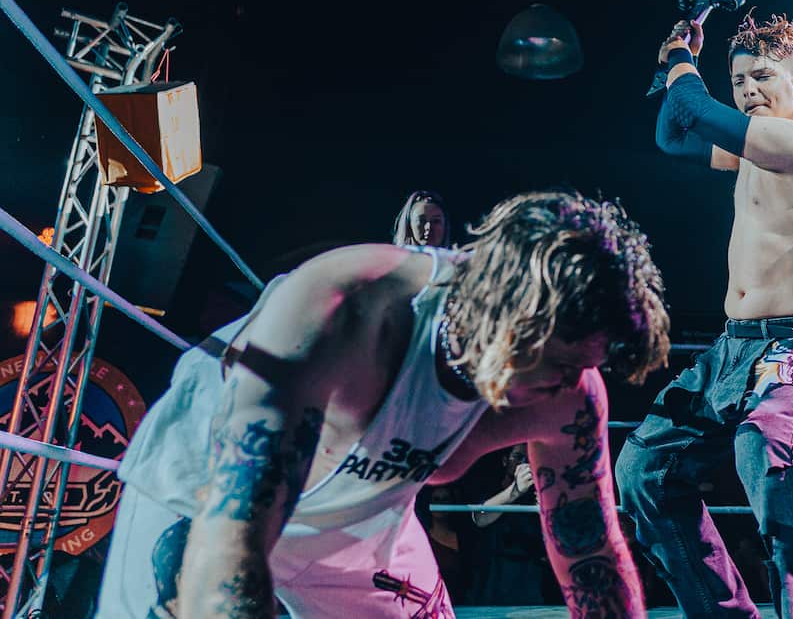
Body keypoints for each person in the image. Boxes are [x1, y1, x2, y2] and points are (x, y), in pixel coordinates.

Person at [98, 190, 670, 618]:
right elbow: (235, 531)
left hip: (362, 516)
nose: (575, 382)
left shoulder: (568, 394)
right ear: (513, 319)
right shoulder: (343, 310)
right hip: (210, 495)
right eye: (563, 362)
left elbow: (590, 548)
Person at [617, 13, 793, 619]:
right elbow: (674, 135)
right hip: (733, 348)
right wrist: (681, 60)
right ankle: (723, 613)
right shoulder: (751, 151)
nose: (748, 90)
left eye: (762, 76)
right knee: (645, 469)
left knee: (767, 447)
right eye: (739, 79)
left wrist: (679, 59)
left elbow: (692, 108)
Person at [467, 444, 551, 605]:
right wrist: (515, 491)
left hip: (530, 583)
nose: (524, 464)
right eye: (519, 457)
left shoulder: (540, 493)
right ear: (505, 461)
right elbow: (479, 518)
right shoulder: (489, 485)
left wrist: (546, 513)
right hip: (491, 580)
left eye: (530, 459)